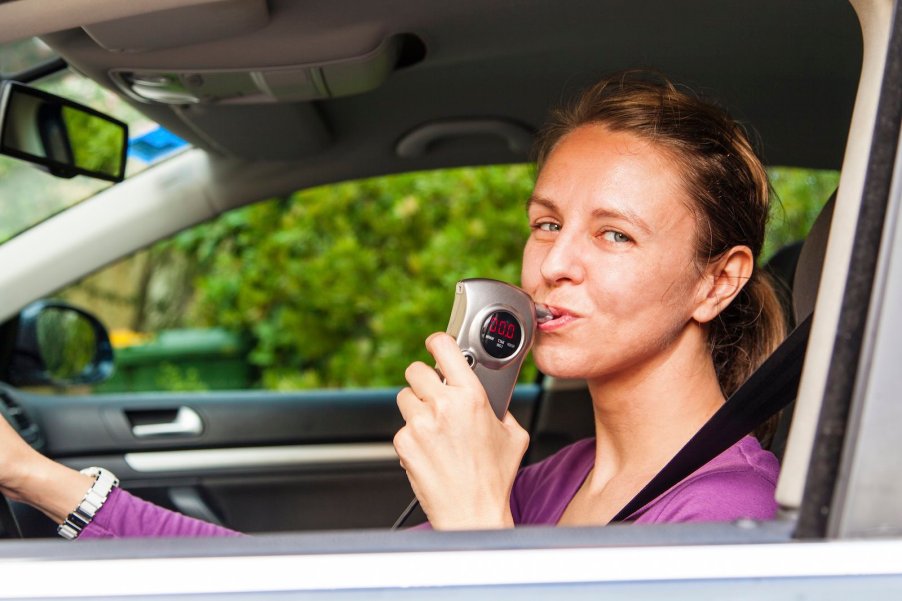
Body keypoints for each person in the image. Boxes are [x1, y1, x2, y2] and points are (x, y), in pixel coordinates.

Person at [0, 71, 784, 538]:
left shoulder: (729, 517)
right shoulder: (562, 476)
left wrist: (477, 513)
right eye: (546, 223)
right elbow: (290, 582)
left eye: (614, 235)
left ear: (718, 280)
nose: (554, 263)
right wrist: (33, 474)